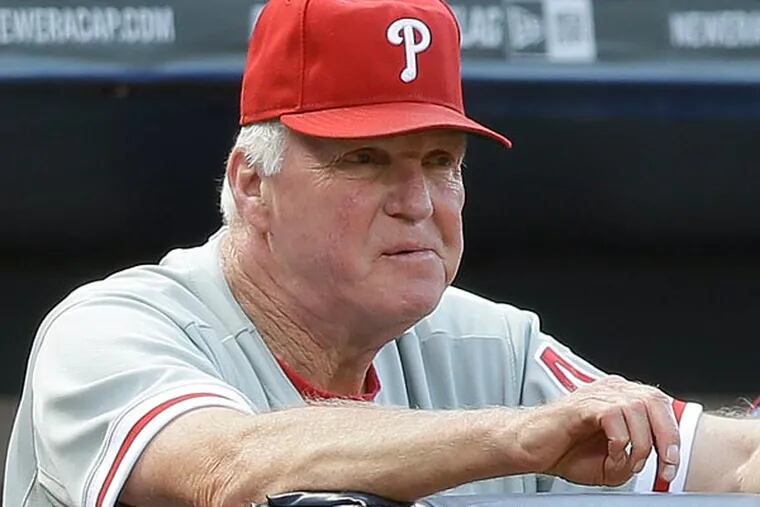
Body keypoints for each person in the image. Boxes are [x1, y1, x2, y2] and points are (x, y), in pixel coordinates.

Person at [5, 0, 760, 506]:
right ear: (253, 184)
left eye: (440, 161)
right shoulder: (113, 329)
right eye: (364, 160)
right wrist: (515, 436)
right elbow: (229, 466)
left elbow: (727, 464)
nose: (417, 201)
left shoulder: (489, 346)